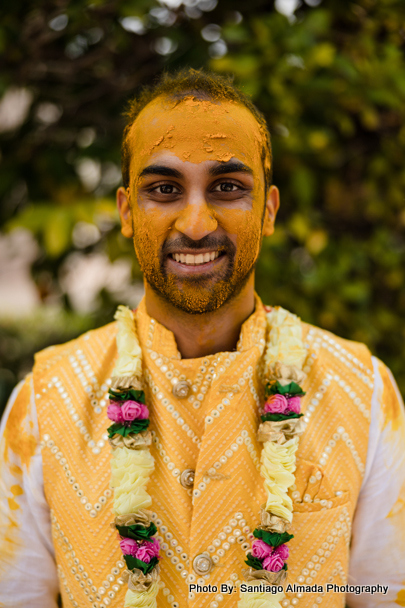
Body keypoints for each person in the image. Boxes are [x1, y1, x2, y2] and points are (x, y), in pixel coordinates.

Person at [0, 69, 404, 608]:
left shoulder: (363, 390)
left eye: (228, 187)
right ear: (126, 211)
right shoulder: (44, 403)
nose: (195, 223)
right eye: (164, 189)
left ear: (269, 211)